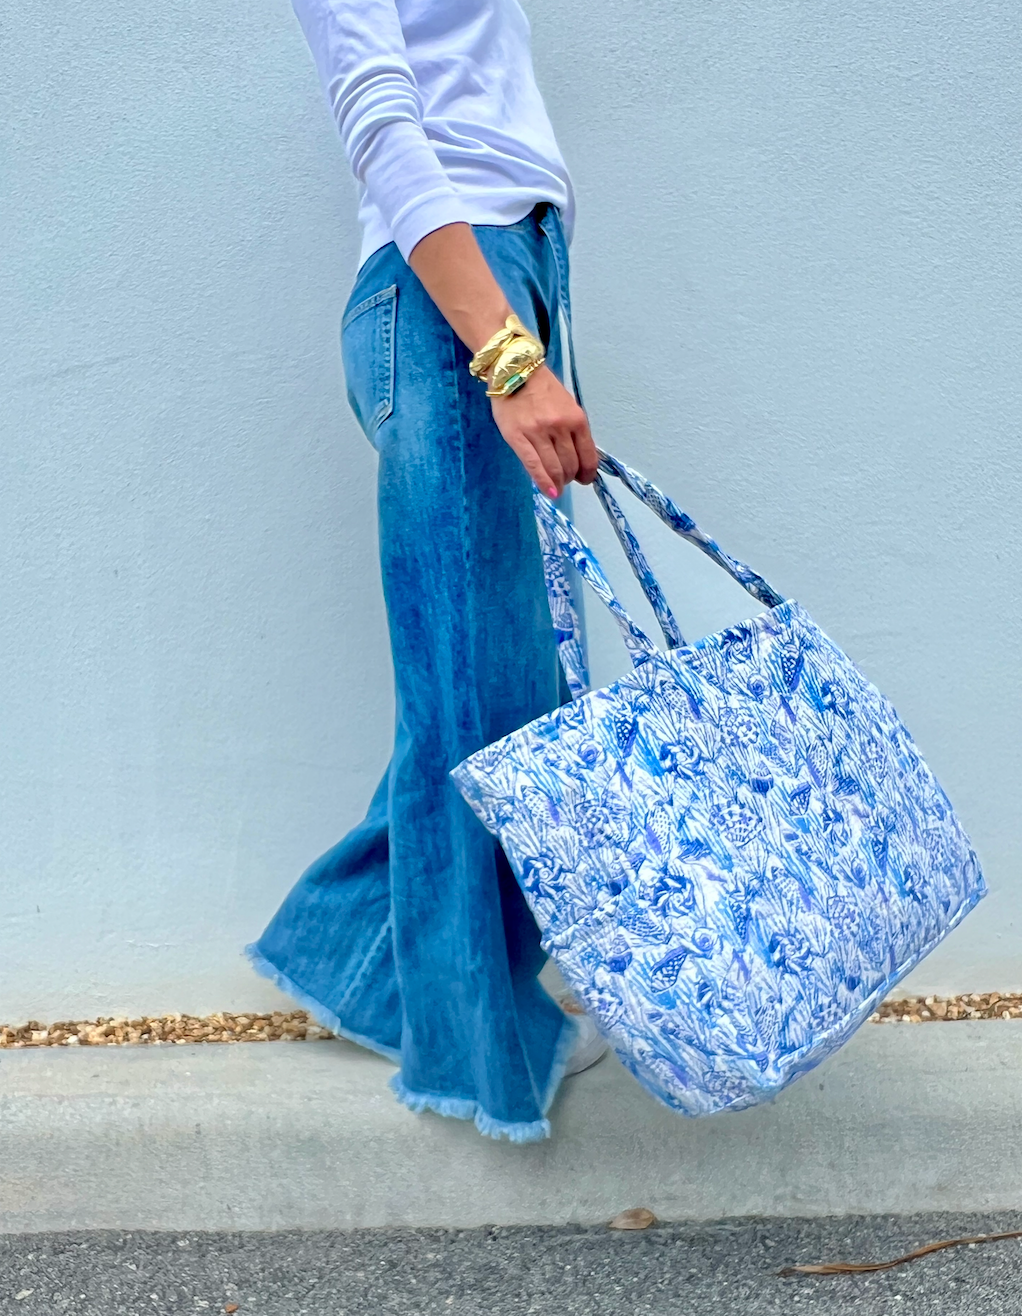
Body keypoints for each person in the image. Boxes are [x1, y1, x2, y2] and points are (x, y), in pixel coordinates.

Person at [246, 0, 605, 1143]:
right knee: (475, 700)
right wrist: (505, 354)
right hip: (456, 297)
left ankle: (349, 958)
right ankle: (472, 1044)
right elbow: (377, 115)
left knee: (504, 683)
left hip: (500, 278)